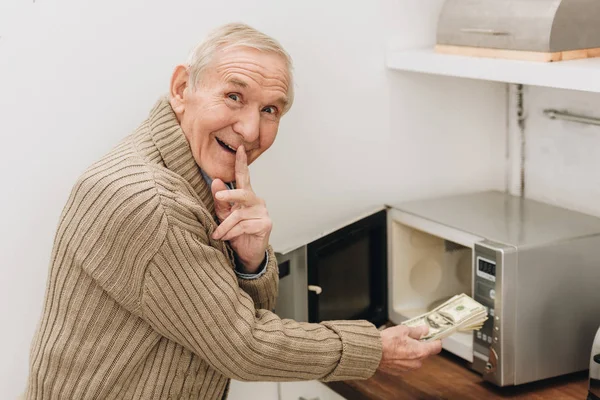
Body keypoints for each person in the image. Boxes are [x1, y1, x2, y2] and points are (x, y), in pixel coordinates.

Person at [24, 22, 442, 400]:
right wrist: (374, 349)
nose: (250, 130)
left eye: (269, 110)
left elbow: (238, 315)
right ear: (181, 88)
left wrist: (251, 261)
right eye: (233, 96)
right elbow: (244, 345)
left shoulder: (190, 173)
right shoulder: (153, 202)